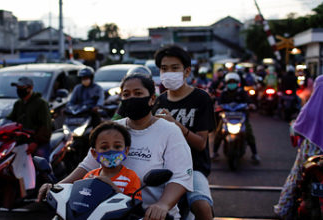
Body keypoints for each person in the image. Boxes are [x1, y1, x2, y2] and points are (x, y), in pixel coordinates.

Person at [38, 73, 193, 220]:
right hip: (103, 213)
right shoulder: (112, 129)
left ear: (152, 99)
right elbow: (87, 166)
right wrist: (57, 187)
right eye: (126, 94)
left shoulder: (169, 131)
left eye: (138, 93)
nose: (131, 98)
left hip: (149, 215)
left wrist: (162, 205)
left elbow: (181, 177)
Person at [152, 45, 216, 220]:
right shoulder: (158, 101)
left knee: (201, 206)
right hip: (163, 168)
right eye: (164, 69)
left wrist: (175, 124)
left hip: (193, 167)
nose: (168, 72)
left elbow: (201, 144)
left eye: (175, 68)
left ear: (186, 71)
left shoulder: (201, 98)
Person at [274, 75, 323, 219]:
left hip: (310, 154)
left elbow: (298, 128)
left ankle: (283, 210)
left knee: (296, 178)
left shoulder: (309, 108)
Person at [83, 121, 142, 200]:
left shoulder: (131, 178)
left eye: (117, 147)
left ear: (126, 151)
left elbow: (134, 206)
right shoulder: (89, 177)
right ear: (94, 153)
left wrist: (111, 187)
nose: (111, 151)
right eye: (104, 147)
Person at [211, 72, 260, 163]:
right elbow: (218, 102)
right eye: (230, 82)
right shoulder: (224, 93)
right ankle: (214, 152)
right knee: (218, 133)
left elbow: (249, 102)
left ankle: (255, 154)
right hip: (226, 118)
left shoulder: (242, 92)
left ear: (237, 83)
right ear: (226, 82)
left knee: (249, 133)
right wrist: (217, 106)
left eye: (234, 82)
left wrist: (251, 105)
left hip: (241, 118)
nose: (231, 84)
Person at [8, 76, 52, 159]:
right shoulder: (18, 104)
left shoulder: (41, 103)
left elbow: (45, 126)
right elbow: (10, 120)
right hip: (21, 142)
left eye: (21, 87)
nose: (19, 90)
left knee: (41, 164)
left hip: (38, 142)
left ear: (30, 88)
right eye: (18, 88)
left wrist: (35, 142)